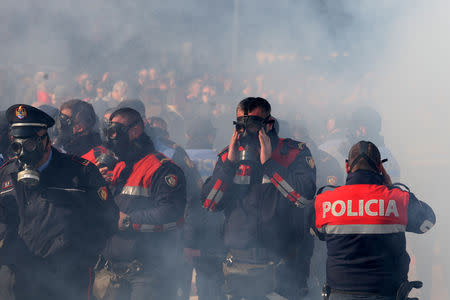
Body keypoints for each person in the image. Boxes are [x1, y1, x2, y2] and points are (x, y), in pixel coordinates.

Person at [201, 97, 316, 300]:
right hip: (238, 266)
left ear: (268, 124)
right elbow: (210, 204)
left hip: (282, 266)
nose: (247, 132)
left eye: (253, 124)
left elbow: (304, 197)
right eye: (241, 125)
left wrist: (269, 164)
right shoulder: (228, 156)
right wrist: (229, 165)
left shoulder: (293, 153)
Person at [0, 104, 119, 300]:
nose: (23, 153)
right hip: (20, 277)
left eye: (29, 145)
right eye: (17, 146)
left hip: (67, 277)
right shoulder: (6, 173)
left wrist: (78, 254)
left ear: (45, 140)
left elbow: (108, 219)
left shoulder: (80, 172)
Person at [314, 141, 436, 300]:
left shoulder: (325, 201)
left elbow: (317, 232)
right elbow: (427, 221)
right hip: (388, 295)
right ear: (380, 168)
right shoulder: (397, 200)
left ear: (346, 167)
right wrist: (391, 187)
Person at [96, 107, 187, 300]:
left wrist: (129, 221)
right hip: (114, 272)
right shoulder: (119, 167)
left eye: (115, 132)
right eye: (108, 133)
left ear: (135, 131)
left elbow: (172, 213)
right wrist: (96, 185)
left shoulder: (162, 168)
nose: (111, 139)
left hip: (147, 274)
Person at [185, 118, 226, 300]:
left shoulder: (179, 157)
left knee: (182, 279)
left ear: (187, 136)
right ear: (210, 136)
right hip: (215, 221)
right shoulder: (221, 158)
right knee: (212, 274)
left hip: (185, 223)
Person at [55, 99, 116, 169]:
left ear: (80, 127)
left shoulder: (96, 156)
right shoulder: (60, 146)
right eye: (60, 119)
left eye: (65, 121)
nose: (60, 125)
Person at [350, 106, 401, 182]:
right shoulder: (386, 154)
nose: (354, 133)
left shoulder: (371, 155)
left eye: (357, 128)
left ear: (363, 129)